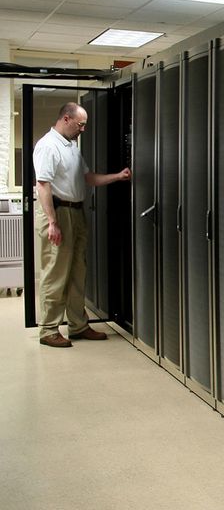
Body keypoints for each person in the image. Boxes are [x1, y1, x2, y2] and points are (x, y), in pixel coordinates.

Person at [33, 102, 131, 348]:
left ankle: (78, 325)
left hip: (76, 213)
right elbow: (42, 185)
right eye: (80, 125)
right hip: (56, 213)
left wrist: (118, 176)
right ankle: (48, 330)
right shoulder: (48, 146)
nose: (83, 129)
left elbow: (87, 178)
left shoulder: (71, 147)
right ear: (66, 119)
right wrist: (53, 222)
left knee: (77, 272)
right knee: (55, 272)